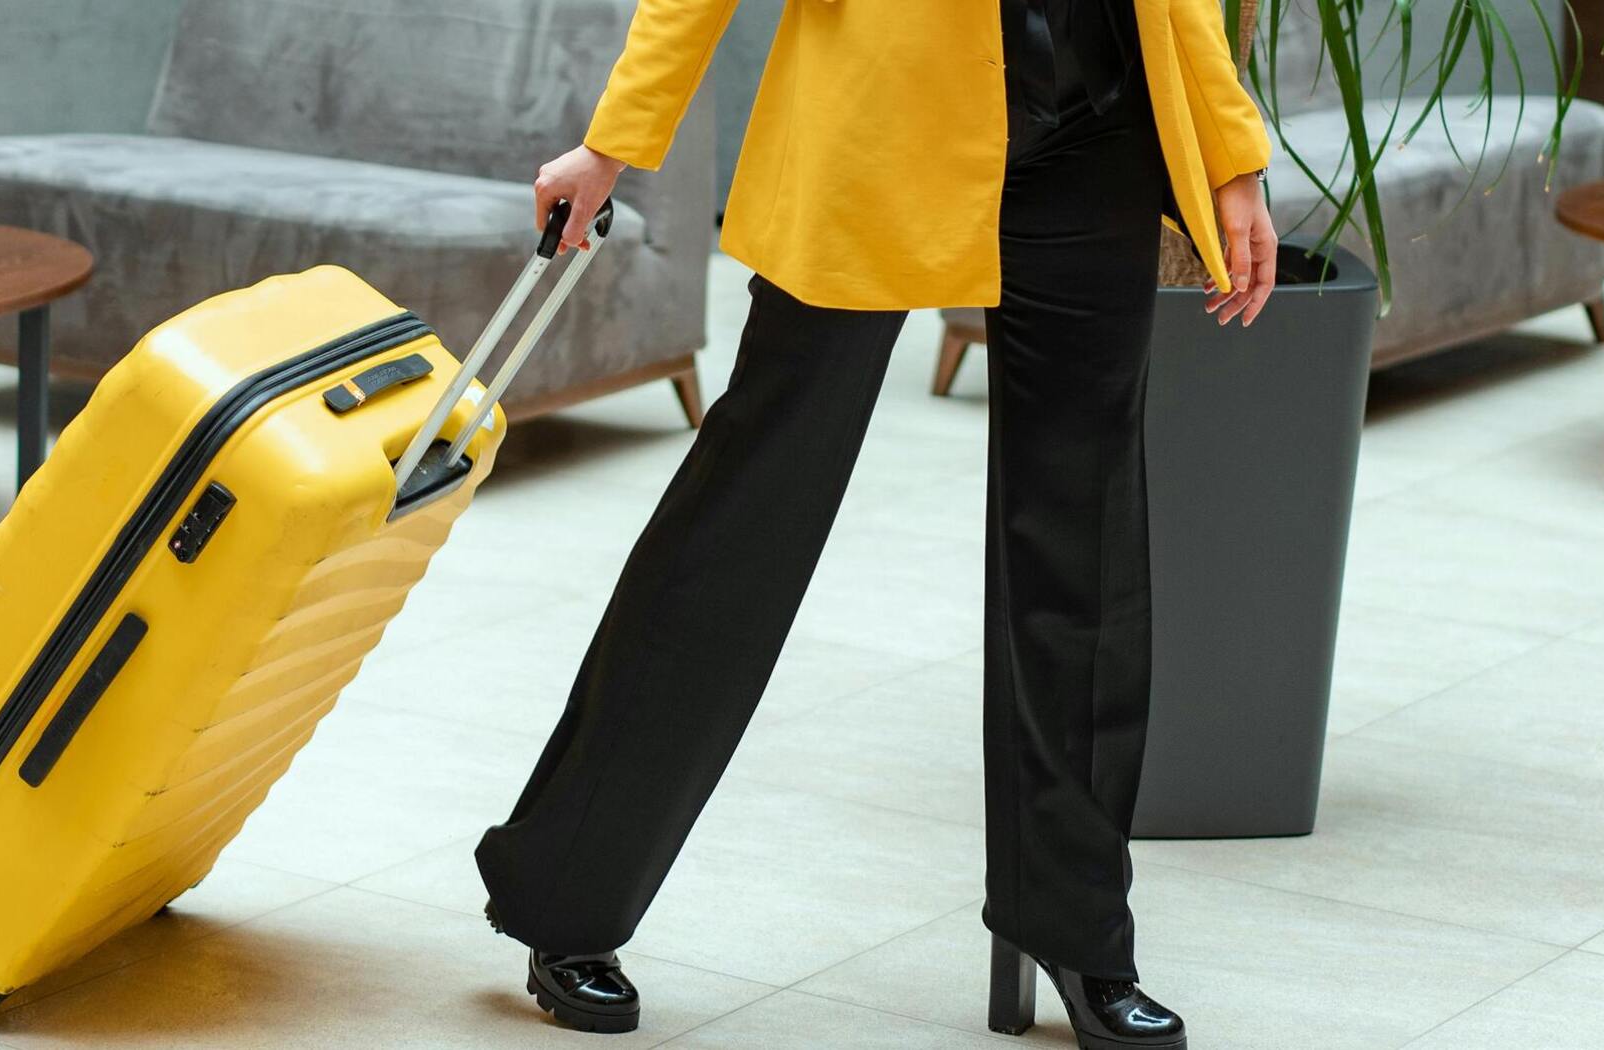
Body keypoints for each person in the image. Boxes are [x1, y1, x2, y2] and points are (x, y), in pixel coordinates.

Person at [474, 0, 1277, 1045]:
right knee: (746, 515)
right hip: (877, 133)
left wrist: (1228, 154)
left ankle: (1078, 928)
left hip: (1098, 136)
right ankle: (566, 897)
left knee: (1087, 549)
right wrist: (614, 142)